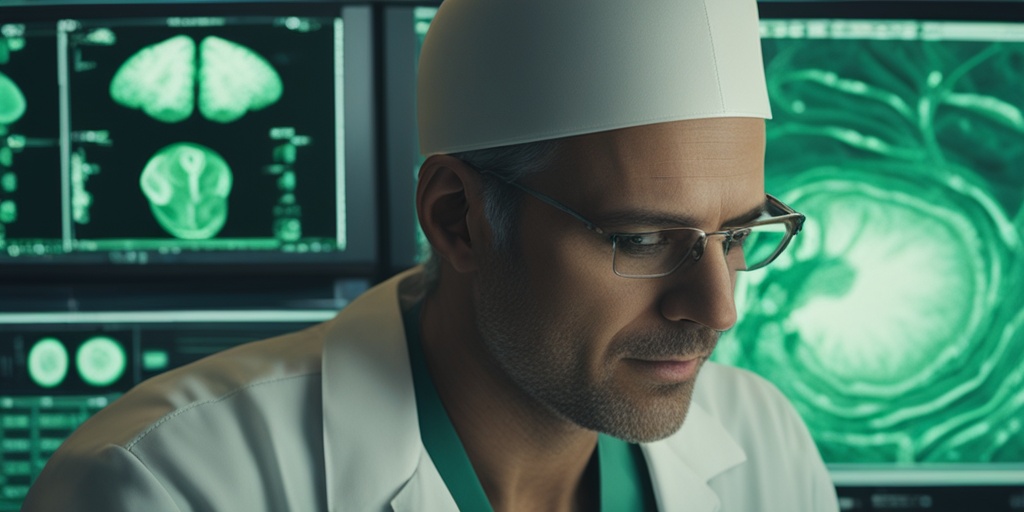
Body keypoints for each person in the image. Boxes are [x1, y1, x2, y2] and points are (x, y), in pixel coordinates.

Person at [23, 0, 841, 510]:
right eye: (642, 239)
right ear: (458, 218)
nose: (718, 308)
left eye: (737, 236)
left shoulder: (764, 444)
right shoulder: (168, 486)